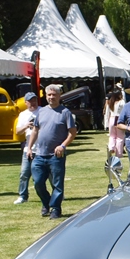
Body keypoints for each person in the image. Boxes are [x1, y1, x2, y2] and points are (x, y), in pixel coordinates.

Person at [27, 84, 78, 219]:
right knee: (37, 182)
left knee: (57, 184)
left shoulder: (65, 112)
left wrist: (62, 146)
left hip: (56, 155)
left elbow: (72, 133)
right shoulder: (42, 111)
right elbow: (35, 130)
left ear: (59, 96)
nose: (51, 97)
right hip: (40, 154)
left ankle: (55, 208)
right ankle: (46, 203)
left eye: (54, 95)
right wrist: (29, 147)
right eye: (49, 95)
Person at [12, 92, 39, 204]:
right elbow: (17, 131)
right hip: (28, 148)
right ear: (26, 103)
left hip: (42, 148)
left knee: (48, 174)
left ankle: (57, 194)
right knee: (24, 173)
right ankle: (23, 196)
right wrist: (26, 125)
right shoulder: (23, 114)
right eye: (30, 101)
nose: (33, 103)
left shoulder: (43, 111)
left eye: (34, 100)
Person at [104, 87, 126, 160]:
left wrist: (106, 124)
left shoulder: (110, 102)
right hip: (119, 119)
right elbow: (124, 111)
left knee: (112, 136)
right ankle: (118, 153)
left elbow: (107, 113)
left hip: (112, 119)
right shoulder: (122, 102)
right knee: (120, 137)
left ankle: (111, 147)